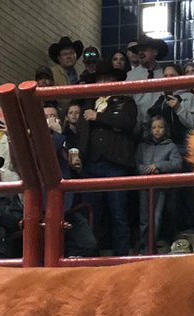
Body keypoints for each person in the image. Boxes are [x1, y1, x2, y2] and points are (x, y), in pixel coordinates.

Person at [76, 70, 138, 257]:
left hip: (115, 164)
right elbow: (82, 132)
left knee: (118, 211)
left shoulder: (125, 102)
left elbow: (127, 122)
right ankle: (91, 253)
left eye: (107, 79)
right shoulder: (89, 103)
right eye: (100, 79)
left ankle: (121, 253)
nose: (103, 82)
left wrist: (99, 117)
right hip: (92, 164)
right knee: (92, 213)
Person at [134, 116, 183, 253]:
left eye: (160, 127)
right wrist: (146, 170)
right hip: (144, 185)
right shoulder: (142, 146)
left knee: (156, 217)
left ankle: (151, 246)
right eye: (154, 127)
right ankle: (144, 247)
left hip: (160, 187)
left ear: (165, 129)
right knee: (144, 219)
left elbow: (177, 164)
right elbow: (136, 164)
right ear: (149, 129)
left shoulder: (170, 146)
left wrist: (159, 166)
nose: (157, 130)